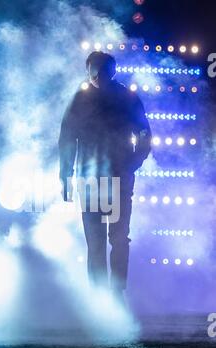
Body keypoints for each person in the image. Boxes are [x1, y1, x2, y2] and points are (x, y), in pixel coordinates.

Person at [58, 51, 151, 295]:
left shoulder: (126, 98)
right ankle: (101, 297)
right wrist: (65, 175)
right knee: (97, 241)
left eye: (102, 70)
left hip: (119, 176)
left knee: (118, 238)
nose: (98, 75)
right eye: (94, 70)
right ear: (88, 71)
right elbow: (67, 137)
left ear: (113, 71)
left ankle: (116, 294)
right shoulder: (81, 99)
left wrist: (134, 162)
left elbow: (144, 134)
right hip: (90, 178)